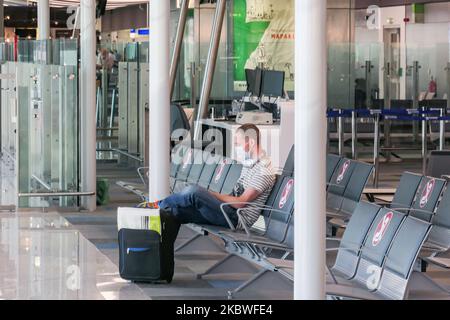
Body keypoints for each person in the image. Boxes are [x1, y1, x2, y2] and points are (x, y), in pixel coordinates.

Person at [148, 124, 276, 230]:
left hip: (235, 219)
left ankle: (155, 205)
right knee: (173, 213)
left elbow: (241, 203)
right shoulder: (249, 164)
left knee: (194, 191)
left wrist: (211, 194)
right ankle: (163, 256)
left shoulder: (263, 169)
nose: (236, 148)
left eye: (238, 144)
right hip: (227, 210)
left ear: (251, 142)